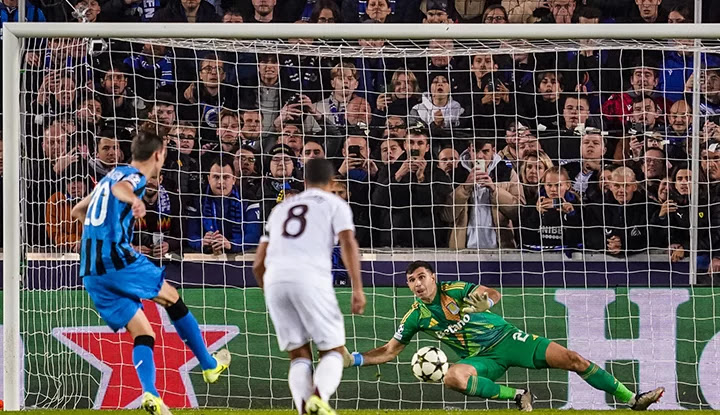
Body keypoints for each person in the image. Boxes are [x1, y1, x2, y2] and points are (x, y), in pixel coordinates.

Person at [343, 261, 665, 411]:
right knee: (452, 377)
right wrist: (353, 359)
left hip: (509, 340)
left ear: (433, 277)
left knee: (574, 359)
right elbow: (389, 350)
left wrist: (485, 302)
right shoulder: (415, 316)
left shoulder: (455, 289)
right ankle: (518, 395)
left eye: (421, 277)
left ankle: (632, 399)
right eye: (411, 280)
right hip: (481, 359)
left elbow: (492, 293)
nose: (417, 284)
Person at [70, 131, 230, 415]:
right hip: (116, 259)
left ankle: (151, 394)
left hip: (91, 269)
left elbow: (78, 210)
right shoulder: (134, 177)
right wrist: (134, 201)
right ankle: (209, 365)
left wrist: (100, 232)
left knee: (143, 333)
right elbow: (122, 188)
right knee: (172, 298)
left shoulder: (108, 177)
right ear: (159, 154)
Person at [252, 158, 366, 415]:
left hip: (275, 280)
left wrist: (272, 293)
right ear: (332, 182)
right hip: (310, 277)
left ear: (304, 182)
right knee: (333, 350)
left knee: (299, 354)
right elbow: (348, 243)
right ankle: (319, 396)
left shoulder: (281, 209)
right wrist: (357, 289)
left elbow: (258, 264)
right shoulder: (335, 204)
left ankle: (305, 410)